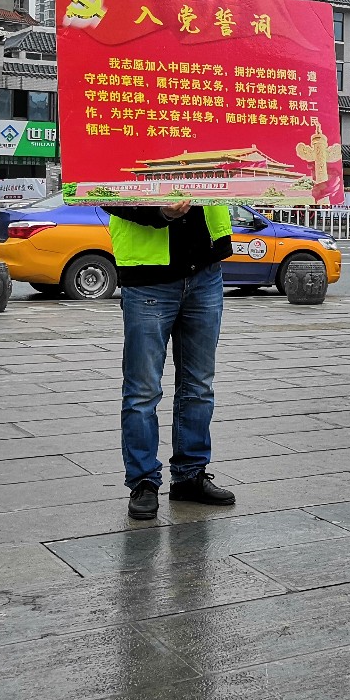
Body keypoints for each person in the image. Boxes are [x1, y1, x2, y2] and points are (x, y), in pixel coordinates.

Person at [104, 199, 239, 519]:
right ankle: (143, 481)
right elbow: (102, 190)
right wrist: (159, 213)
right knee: (142, 391)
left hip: (205, 270)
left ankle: (190, 475)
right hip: (147, 276)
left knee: (199, 385)